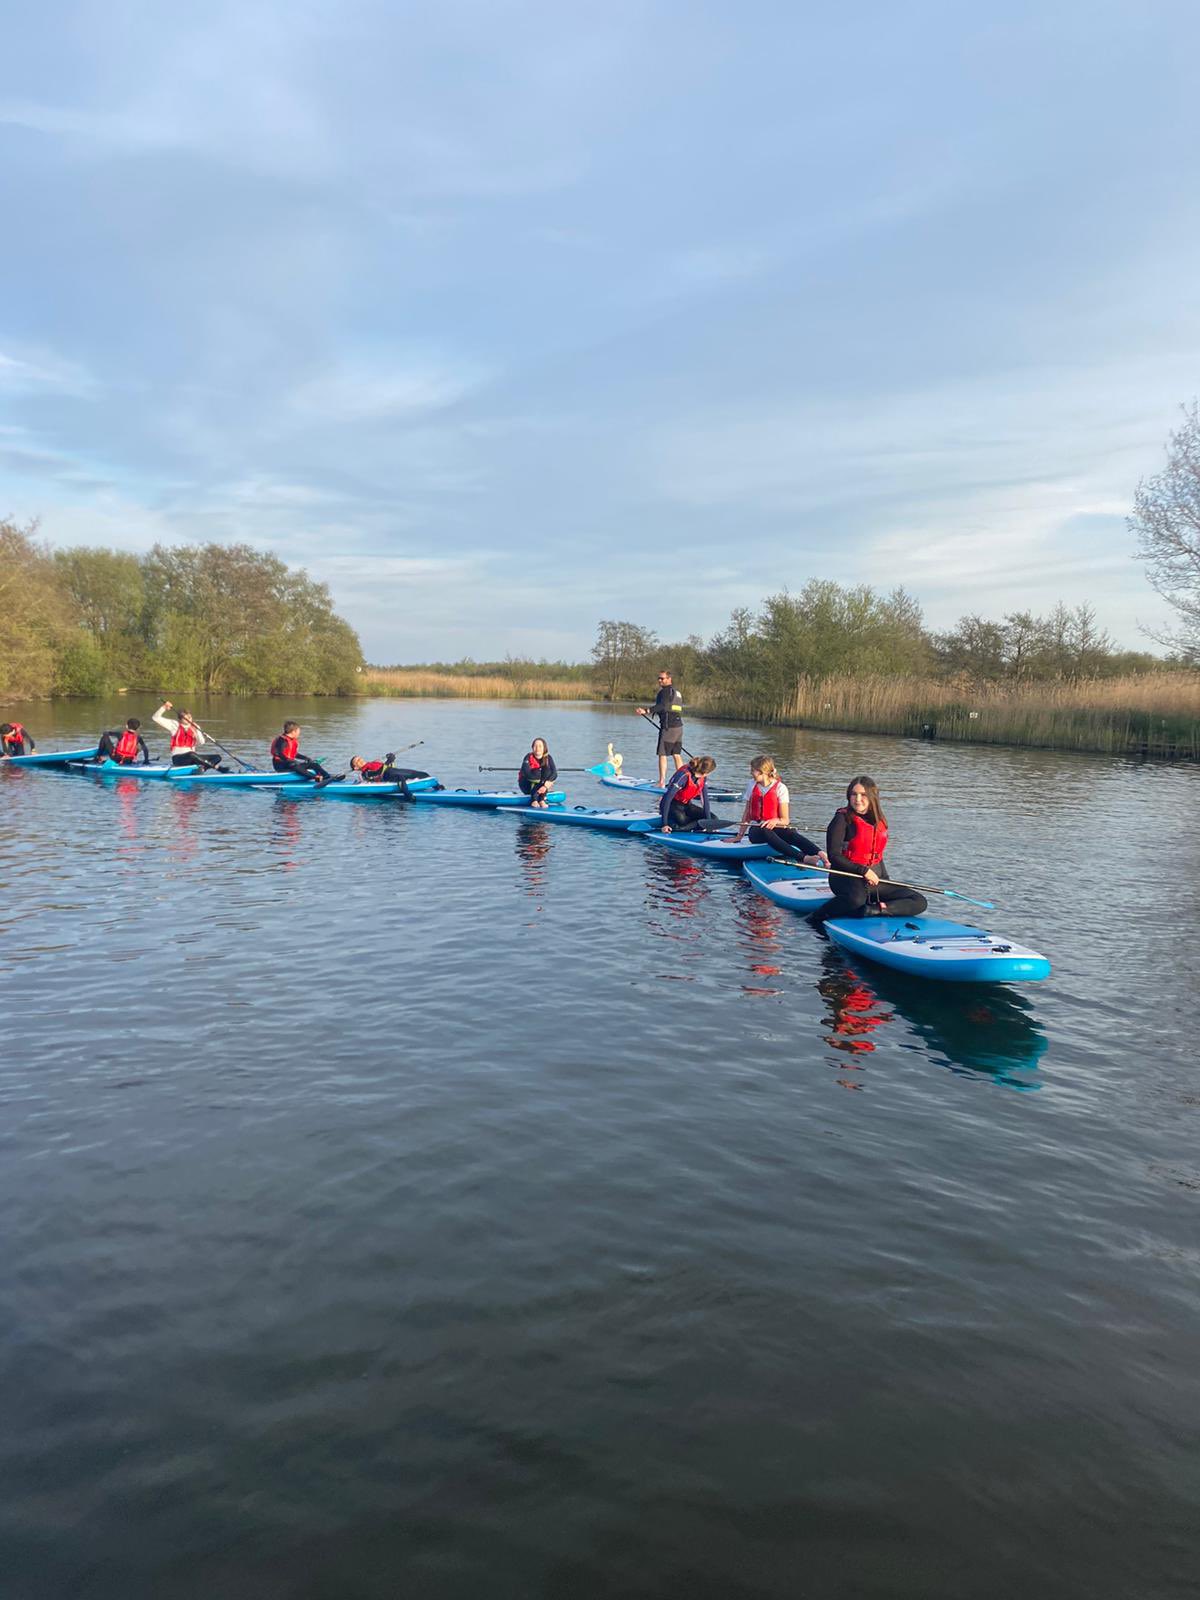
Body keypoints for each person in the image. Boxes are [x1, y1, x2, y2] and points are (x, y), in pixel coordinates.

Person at [816, 774, 928, 920]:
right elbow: (834, 856)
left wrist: (886, 879)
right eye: (853, 794)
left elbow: (877, 856)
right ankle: (817, 917)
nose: (857, 799)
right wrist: (864, 871)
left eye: (863, 795)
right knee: (856, 900)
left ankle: (874, 910)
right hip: (846, 878)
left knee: (919, 901)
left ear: (872, 797)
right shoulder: (841, 819)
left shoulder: (878, 820)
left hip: (874, 879)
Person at [735, 756, 828, 868]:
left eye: (753, 770)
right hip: (756, 831)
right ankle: (803, 858)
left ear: (762, 772)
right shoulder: (751, 785)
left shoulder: (781, 788)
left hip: (775, 827)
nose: (751, 773)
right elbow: (747, 814)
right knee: (765, 830)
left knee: (791, 833)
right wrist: (739, 836)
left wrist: (775, 820)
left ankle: (821, 854)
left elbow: (785, 820)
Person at [635, 669, 684, 786]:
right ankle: (683, 782)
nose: (660, 680)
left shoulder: (665, 692)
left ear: (669, 679)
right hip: (679, 727)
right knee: (676, 754)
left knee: (662, 754)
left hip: (668, 727)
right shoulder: (676, 692)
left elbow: (662, 706)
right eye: (659, 678)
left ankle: (661, 782)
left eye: (662, 678)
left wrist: (646, 711)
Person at [659, 755, 721, 832]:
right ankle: (678, 827)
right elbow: (667, 799)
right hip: (672, 805)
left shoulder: (703, 777)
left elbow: (705, 800)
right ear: (706, 772)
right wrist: (664, 824)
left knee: (714, 819)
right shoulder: (683, 776)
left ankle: (695, 826)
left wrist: (709, 823)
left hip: (687, 805)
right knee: (682, 820)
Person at [153, 702, 222, 769]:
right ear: (180, 720)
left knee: (217, 757)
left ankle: (204, 768)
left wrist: (197, 730)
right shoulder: (175, 725)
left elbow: (201, 742)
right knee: (191, 754)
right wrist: (164, 707)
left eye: (190, 718)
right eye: (186, 718)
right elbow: (155, 718)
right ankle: (215, 767)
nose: (189, 720)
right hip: (178, 759)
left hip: (193, 758)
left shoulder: (195, 727)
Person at [271, 722, 338, 783]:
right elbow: (279, 753)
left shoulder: (291, 740)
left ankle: (327, 777)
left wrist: (305, 758)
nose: (299, 733)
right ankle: (315, 777)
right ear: (293, 731)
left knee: (314, 764)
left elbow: (294, 754)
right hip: (280, 766)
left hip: (290, 764)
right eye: (298, 731)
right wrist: (290, 761)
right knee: (295, 765)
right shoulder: (282, 741)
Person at [349, 754, 432, 796]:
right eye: (357, 761)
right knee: (400, 777)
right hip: (386, 775)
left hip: (393, 770)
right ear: (356, 768)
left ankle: (437, 787)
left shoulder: (372, 764)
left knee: (423, 774)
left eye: (360, 758)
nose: (360, 760)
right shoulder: (365, 772)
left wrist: (391, 760)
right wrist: (388, 761)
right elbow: (378, 773)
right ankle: (409, 797)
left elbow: (391, 767)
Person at [518, 738, 558, 807]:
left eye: (540, 746)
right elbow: (528, 775)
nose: (537, 748)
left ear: (544, 748)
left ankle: (541, 800)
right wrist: (544, 783)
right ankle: (534, 800)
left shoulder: (548, 758)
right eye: (535, 746)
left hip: (541, 785)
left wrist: (546, 785)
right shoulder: (528, 757)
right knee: (538, 773)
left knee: (548, 771)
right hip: (526, 784)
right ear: (532, 748)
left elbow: (554, 773)